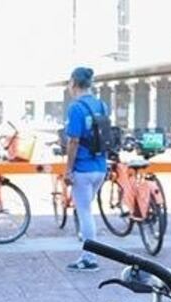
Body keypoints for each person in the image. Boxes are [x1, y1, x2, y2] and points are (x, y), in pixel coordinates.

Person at [63, 66, 108, 272]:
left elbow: (73, 140)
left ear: (73, 83)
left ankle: (90, 258)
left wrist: (68, 169)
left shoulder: (76, 108)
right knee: (87, 211)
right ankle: (88, 249)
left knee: (85, 213)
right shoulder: (102, 105)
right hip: (100, 167)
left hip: (83, 168)